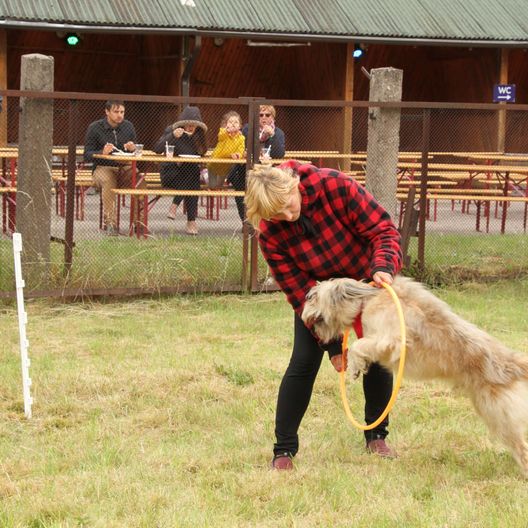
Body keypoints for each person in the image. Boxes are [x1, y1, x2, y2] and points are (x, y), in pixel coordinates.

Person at [245, 160, 403, 470]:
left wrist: (383, 266)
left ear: (293, 185)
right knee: (303, 363)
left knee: (376, 353)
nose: (289, 217)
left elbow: (383, 230)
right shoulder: (269, 235)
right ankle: (284, 450)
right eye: (278, 215)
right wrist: (332, 347)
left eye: (289, 205)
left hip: (364, 282)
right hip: (318, 297)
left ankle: (376, 435)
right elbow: (300, 293)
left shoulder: (336, 186)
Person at [84, 100, 144, 235]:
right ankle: (110, 223)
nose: (120, 115)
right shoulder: (95, 127)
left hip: (125, 166)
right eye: (116, 112)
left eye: (122, 112)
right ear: (107, 112)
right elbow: (86, 155)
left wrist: (133, 148)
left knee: (139, 179)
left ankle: (139, 222)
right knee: (108, 180)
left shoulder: (128, 126)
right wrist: (101, 153)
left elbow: (135, 151)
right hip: (102, 167)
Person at [153, 106, 208, 236]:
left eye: (194, 124)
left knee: (192, 172)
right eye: (188, 124)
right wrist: (172, 136)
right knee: (193, 176)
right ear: (182, 124)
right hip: (171, 175)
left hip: (189, 175)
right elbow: (157, 149)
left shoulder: (198, 137)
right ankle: (191, 221)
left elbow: (202, 154)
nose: (190, 127)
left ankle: (175, 206)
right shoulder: (172, 131)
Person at [228, 105, 285, 223]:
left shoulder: (278, 133)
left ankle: (264, 221)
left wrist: (272, 136)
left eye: (267, 115)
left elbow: (279, 154)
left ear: (272, 117)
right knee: (239, 183)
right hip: (248, 168)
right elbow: (242, 146)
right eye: (260, 115)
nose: (264, 118)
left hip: (267, 170)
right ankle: (246, 220)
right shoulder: (248, 129)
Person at [206, 111, 245, 189]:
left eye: (236, 122)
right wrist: (227, 130)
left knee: (219, 186)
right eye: (230, 122)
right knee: (212, 186)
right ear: (225, 125)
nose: (233, 124)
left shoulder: (241, 138)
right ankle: (206, 176)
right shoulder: (223, 133)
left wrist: (238, 155)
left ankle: (210, 181)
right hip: (214, 164)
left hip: (225, 167)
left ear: (240, 126)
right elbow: (221, 136)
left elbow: (241, 150)